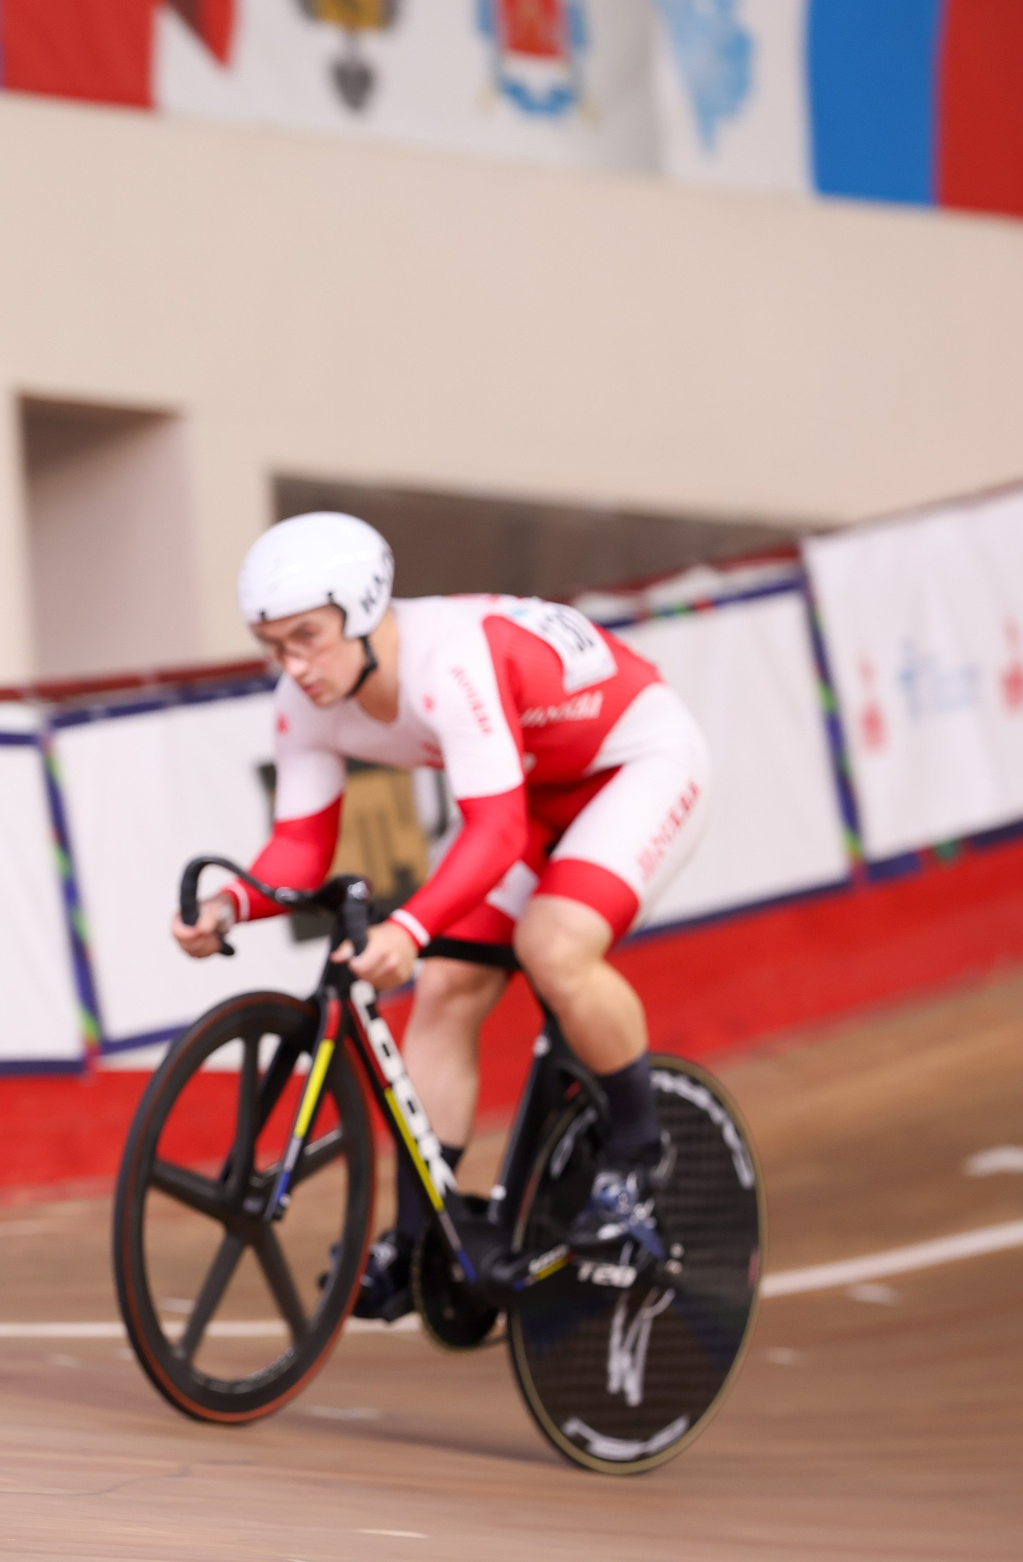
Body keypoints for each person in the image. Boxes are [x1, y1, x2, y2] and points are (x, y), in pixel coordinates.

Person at [171, 512, 710, 1316]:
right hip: (532, 789)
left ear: (361, 612)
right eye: (272, 643)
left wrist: (408, 926)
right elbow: (299, 847)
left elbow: (492, 830)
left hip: (636, 765)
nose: (292, 663)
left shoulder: (449, 661)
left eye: (308, 637)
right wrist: (231, 904)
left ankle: (638, 1158)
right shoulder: (306, 698)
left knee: (554, 944)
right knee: (448, 984)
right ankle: (423, 1236)